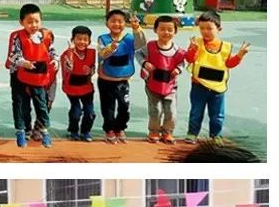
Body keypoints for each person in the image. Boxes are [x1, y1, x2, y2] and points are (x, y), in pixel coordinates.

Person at [184, 10, 250, 143]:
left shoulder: (225, 47)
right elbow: (190, 59)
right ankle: (192, 133)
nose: (205, 31)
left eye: (209, 28)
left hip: (218, 88)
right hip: (199, 85)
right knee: (196, 112)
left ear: (219, 29)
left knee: (217, 115)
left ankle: (216, 135)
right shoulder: (196, 43)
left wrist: (240, 55)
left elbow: (229, 64)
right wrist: (193, 49)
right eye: (202, 28)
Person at [6, 4, 58, 149]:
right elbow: (14, 55)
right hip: (19, 74)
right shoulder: (18, 37)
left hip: (38, 75)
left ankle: (44, 130)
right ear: (21, 22)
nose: (33, 25)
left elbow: (52, 51)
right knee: (21, 103)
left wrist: (55, 60)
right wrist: (24, 63)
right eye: (29, 22)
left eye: (36, 21)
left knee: (41, 102)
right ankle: (21, 130)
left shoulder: (46, 36)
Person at [135, 15, 187, 144]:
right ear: (155, 30)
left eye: (170, 29)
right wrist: (144, 64)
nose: (166, 32)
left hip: (170, 87)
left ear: (175, 32)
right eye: (162, 29)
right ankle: (154, 131)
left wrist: (178, 70)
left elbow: (182, 62)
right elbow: (138, 53)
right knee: (156, 110)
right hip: (152, 85)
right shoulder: (150, 46)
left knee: (171, 112)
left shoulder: (178, 51)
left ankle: (167, 132)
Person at [97, 10, 144, 143]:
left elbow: (141, 45)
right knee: (108, 107)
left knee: (124, 106)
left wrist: (137, 28)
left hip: (123, 80)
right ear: (107, 23)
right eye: (113, 21)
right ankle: (110, 130)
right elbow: (102, 54)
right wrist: (110, 48)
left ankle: (120, 127)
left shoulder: (130, 38)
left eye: (120, 21)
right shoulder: (103, 38)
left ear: (125, 23)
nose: (116, 24)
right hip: (106, 80)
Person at [60, 26, 96, 141]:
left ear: (89, 41)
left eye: (85, 39)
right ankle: (73, 130)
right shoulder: (67, 54)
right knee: (76, 111)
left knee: (90, 112)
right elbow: (68, 68)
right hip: (72, 87)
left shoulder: (91, 53)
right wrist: (70, 55)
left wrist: (90, 71)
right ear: (73, 40)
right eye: (79, 39)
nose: (82, 42)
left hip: (87, 88)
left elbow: (93, 68)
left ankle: (85, 131)